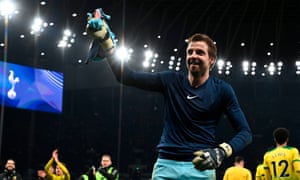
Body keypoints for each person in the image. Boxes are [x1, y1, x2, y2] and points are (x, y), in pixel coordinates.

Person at [85, 8, 252, 179]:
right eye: (190, 52)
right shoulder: (171, 80)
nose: (193, 55)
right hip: (166, 166)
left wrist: (222, 151)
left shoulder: (222, 89)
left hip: (201, 169)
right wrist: (107, 44)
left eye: (200, 52)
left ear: (211, 60)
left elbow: (245, 132)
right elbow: (126, 76)